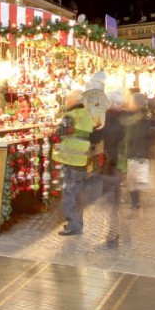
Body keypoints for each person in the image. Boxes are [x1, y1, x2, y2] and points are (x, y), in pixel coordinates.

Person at [53, 90, 94, 236]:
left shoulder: (71, 115)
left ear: (74, 100)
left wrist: (55, 130)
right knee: (77, 191)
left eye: (69, 98)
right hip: (81, 158)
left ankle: (73, 225)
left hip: (71, 159)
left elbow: (61, 131)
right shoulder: (86, 114)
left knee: (69, 192)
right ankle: (77, 223)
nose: (67, 100)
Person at [96, 89, 126, 246]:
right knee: (112, 199)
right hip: (119, 163)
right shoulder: (124, 118)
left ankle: (112, 233)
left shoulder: (109, 119)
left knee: (111, 200)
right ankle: (113, 231)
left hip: (112, 163)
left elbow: (99, 136)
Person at [121, 92, 155, 215]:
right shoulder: (143, 115)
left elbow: (138, 136)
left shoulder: (140, 117)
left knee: (133, 179)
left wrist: (135, 151)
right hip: (139, 152)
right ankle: (135, 202)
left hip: (137, 152)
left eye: (131, 101)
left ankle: (135, 203)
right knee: (134, 179)